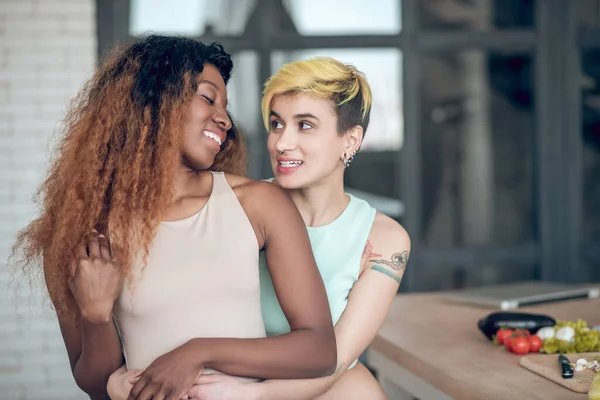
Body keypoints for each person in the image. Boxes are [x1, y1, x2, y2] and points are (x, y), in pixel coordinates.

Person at [10, 36, 337, 400]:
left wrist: (197, 353)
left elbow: (319, 350)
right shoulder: (80, 230)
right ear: (151, 102)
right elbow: (96, 387)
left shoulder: (259, 204)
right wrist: (95, 316)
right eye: (208, 98)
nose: (225, 119)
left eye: (225, 106)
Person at [186, 57, 411, 400]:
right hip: (223, 380)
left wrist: (249, 397)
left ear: (350, 140)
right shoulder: (237, 207)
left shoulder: (384, 239)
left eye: (304, 125)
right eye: (277, 124)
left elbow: (336, 359)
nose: (281, 143)